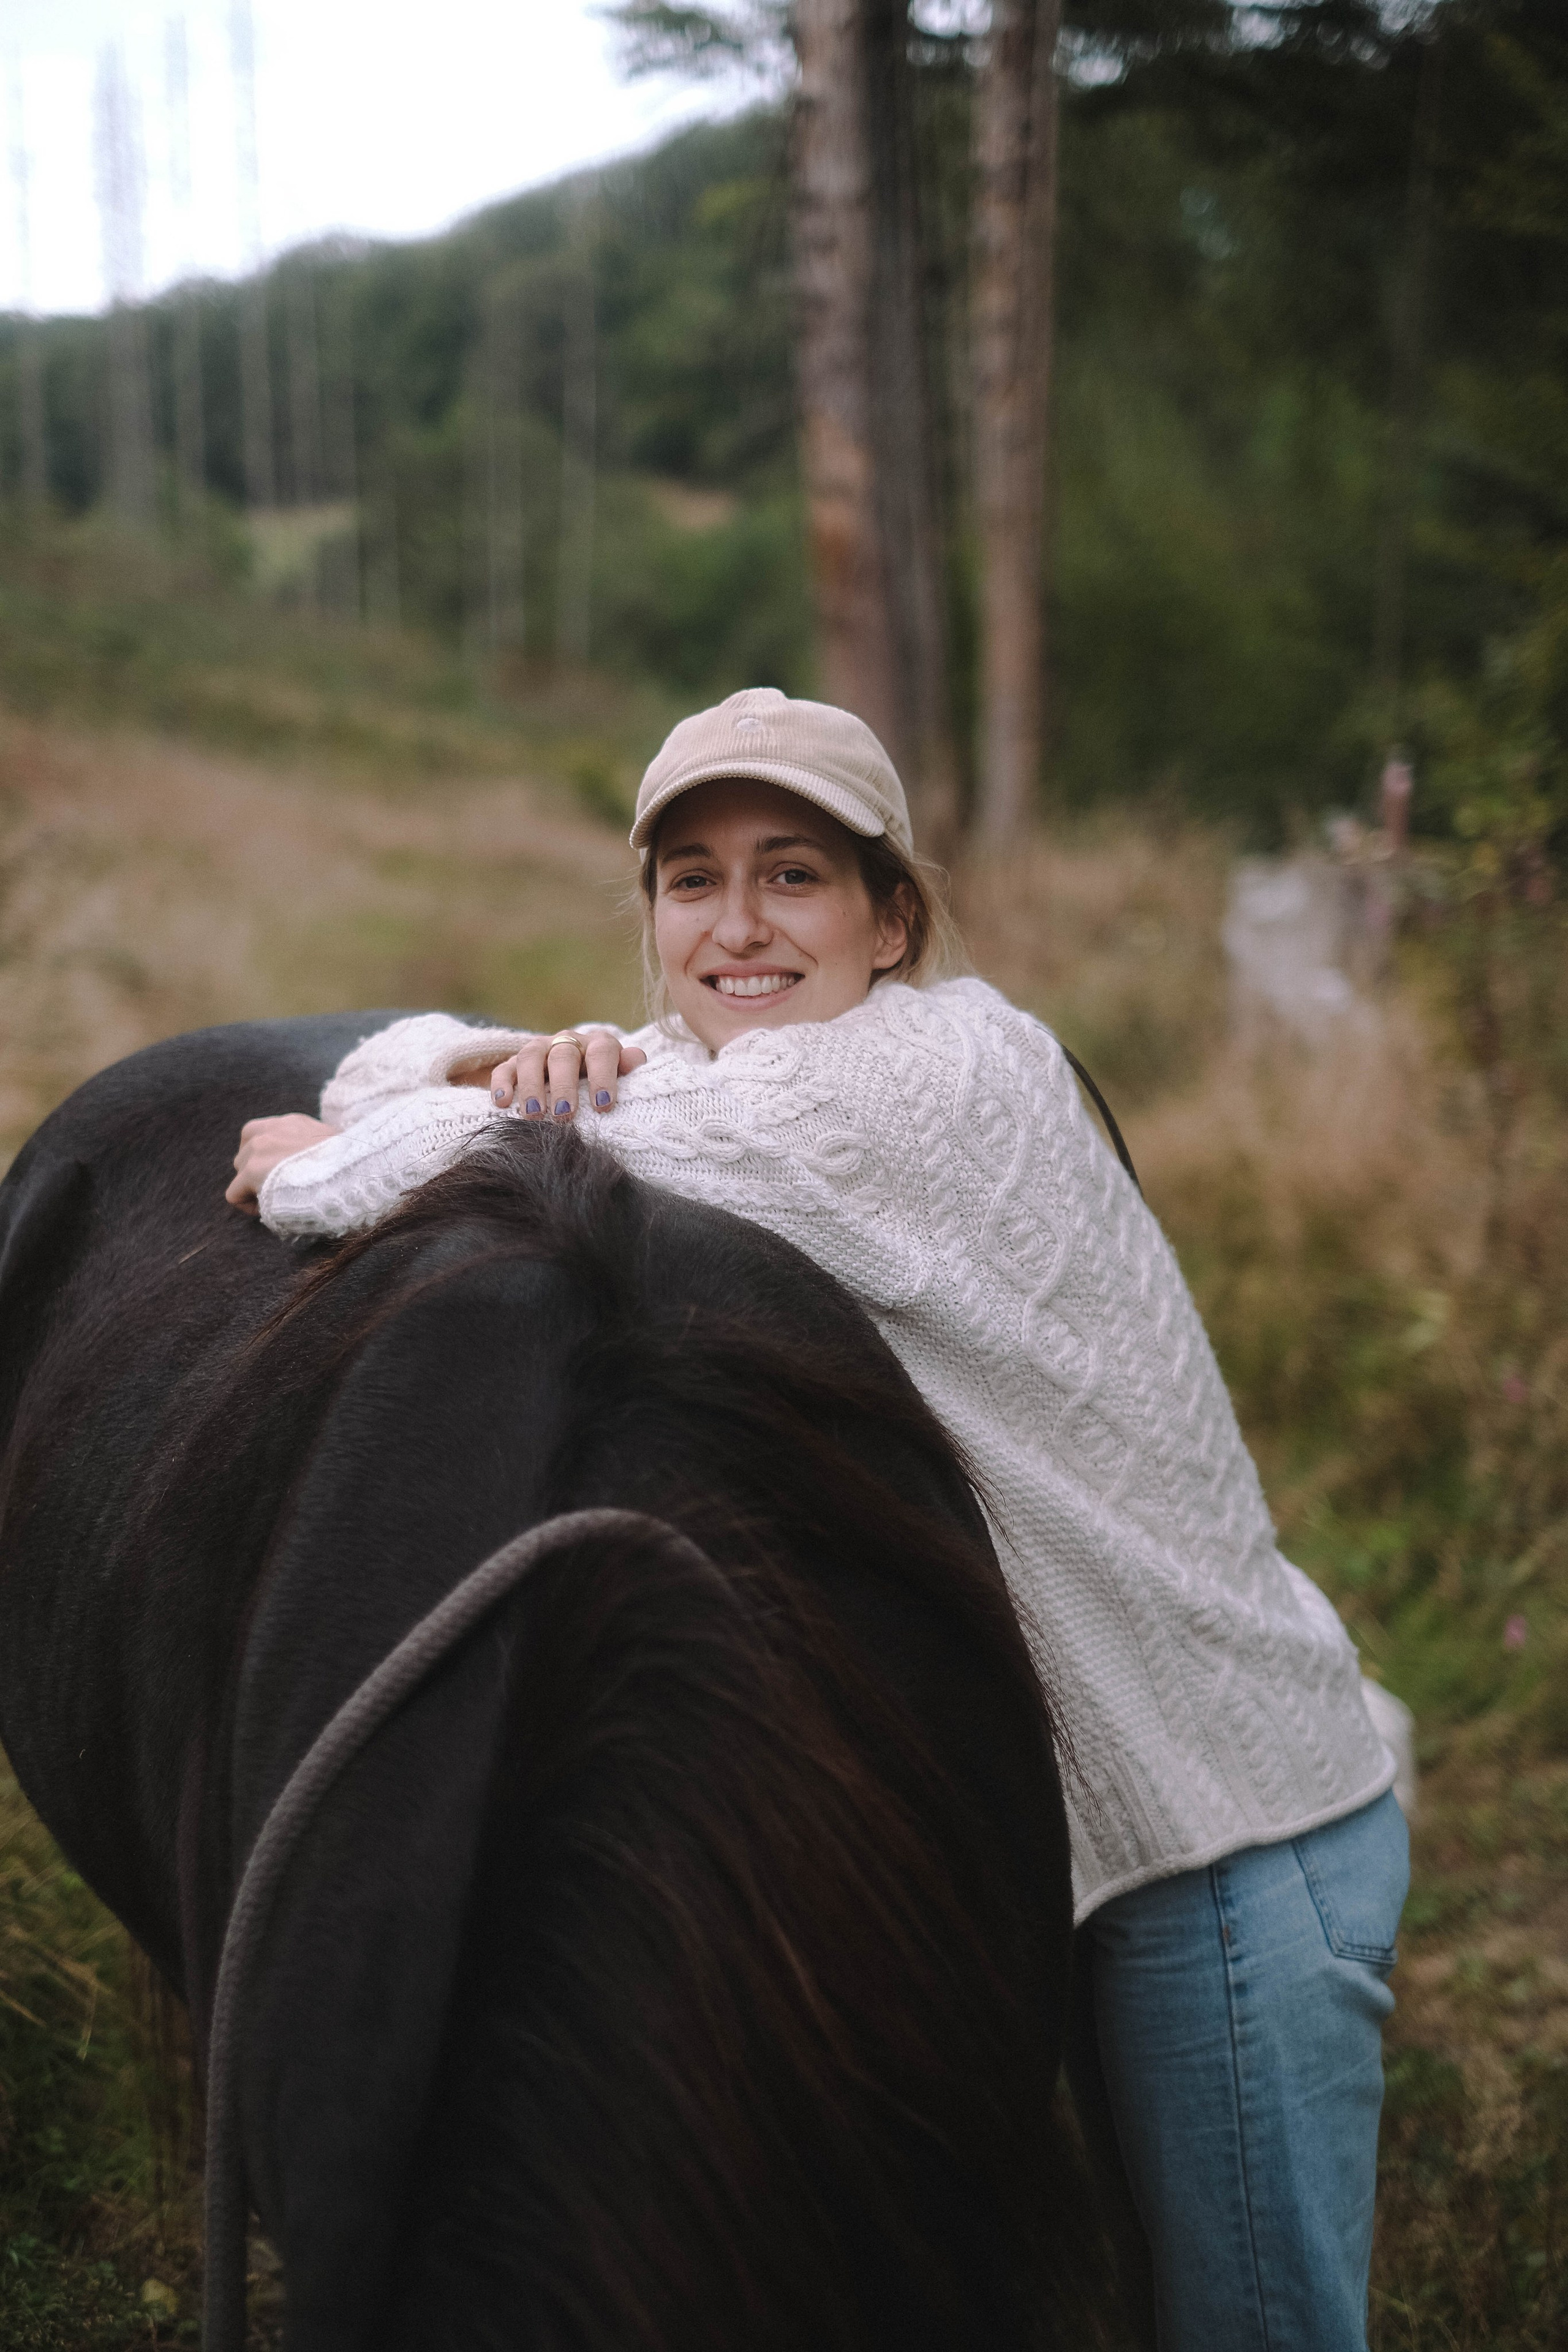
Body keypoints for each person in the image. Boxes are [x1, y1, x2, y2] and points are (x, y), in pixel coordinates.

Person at [229, 687, 1409, 2352]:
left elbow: (391, 1160)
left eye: (793, 875)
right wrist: (511, 1057)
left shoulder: (890, 1093)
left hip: (1234, 1858)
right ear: (647, 916)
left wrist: (317, 1155)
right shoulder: (804, 1065)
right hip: (1172, 1812)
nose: (735, 925)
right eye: (691, 881)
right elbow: (443, 1073)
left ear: (891, 914)